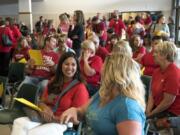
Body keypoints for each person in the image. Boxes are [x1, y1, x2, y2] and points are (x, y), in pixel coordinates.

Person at [60, 53, 146, 135]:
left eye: (104, 67)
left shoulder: (128, 107)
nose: (101, 70)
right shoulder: (104, 92)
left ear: (113, 74)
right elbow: (81, 111)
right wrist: (75, 111)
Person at [11, 52, 89, 135]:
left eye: (73, 65)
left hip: (62, 123)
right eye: (66, 64)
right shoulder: (54, 81)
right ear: (61, 66)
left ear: (77, 68)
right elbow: (41, 102)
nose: (70, 67)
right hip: (44, 117)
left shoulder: (80, 87)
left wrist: (53, 118)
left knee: (34, 133)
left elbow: (77, 120)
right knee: (18, 123)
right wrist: (44, 108)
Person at [146, 41, 180, 118]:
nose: (153, 55)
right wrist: (148, 111)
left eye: (156, 52)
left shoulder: (174, 73)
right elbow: (152, 94)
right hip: (158, 109)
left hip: (171, 113)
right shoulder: (157, 71)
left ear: (165, 55)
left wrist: (151, 114)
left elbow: (167, 102)